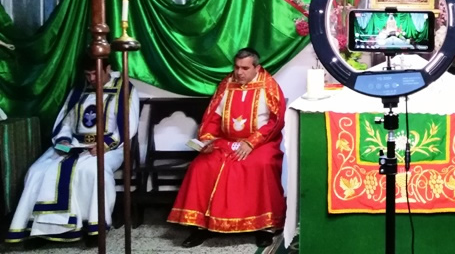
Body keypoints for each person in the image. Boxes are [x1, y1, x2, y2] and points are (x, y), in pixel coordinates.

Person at [5, 55, 139, 247]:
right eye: (88, 74)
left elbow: (128, 124)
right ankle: (41, 229)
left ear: (108, 68)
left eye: (95, 74)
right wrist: (64, 140)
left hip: (111, 147)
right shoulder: (79, 90)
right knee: (37, 171)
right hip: (75, 144)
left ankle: (95, 227)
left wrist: (104, 145)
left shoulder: (124, 88)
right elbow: (66, 121)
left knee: (92, 171)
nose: (91, 79)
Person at [168, 48, 286, 248]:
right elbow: (213, 117)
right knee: (201, 166)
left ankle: (263, 227)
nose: (239, 72)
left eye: (245, 68)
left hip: (260, 143)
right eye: (237, 67)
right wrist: (207, 140)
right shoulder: (226, 84)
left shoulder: (269, 86)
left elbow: (275, 121)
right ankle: (200, 227)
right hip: (225, 141)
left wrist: (251, 142)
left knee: (260, 165)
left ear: (257, 68)